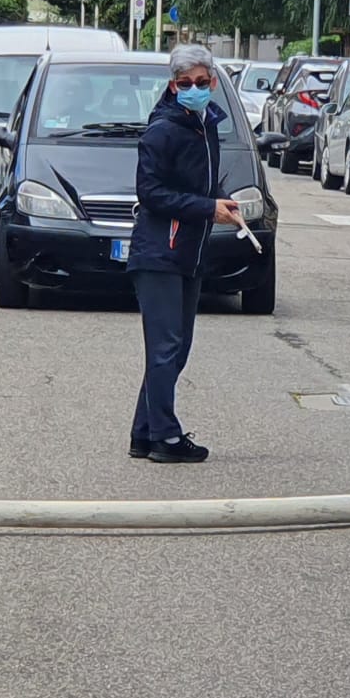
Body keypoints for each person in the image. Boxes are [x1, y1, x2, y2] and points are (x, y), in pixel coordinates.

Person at [126, 44, 242, 464]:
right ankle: (166, 438)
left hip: (188, 251)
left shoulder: (205, 124)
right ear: (173, 86)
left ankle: (145, 433)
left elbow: (203, 183)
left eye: (201, 82)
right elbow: (151, 193)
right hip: (160, 252)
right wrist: (207, 207)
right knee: (165, 347)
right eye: (185, 83)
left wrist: (221, 201)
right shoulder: (163, 130)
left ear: (212, 82)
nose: (194, 89)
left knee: (176, 348)